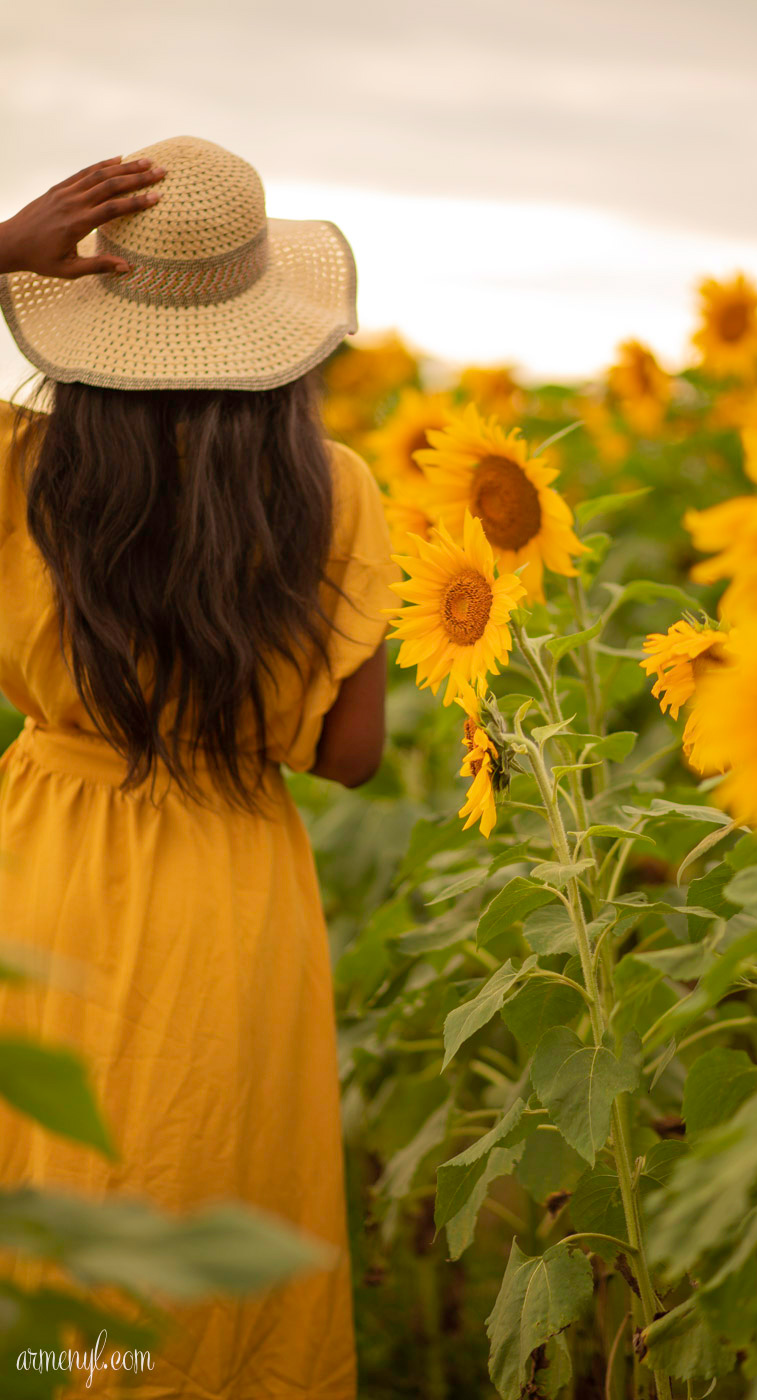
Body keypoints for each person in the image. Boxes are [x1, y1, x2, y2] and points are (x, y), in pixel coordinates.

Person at [0, 134, 400, 1398]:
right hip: (232, 894)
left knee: (50, 1200)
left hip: (43, 865)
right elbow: (351, 757)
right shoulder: (333, 490)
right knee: (209, 1194)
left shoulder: (19, 470)